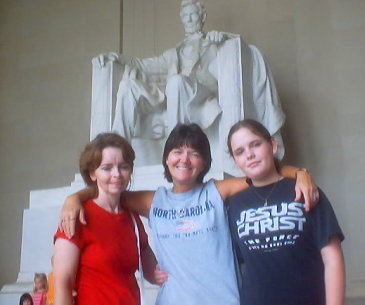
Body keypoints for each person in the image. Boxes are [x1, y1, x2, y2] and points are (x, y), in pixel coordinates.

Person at [59, 123, 318, 305]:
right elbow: (107, 190)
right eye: (177, 151)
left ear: (204, 162)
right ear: (167, 159)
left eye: (194, 153)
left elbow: (262, 175)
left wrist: (300, 172)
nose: (185, 159)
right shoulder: (152, 201)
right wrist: (73, 199)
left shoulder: (218, 191)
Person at [92, 0, 286, 169]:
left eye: (193, 15)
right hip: (172, 95)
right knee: (128, 86)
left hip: (201, 97)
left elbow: (240, 49)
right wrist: (116, 58)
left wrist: (223, 38)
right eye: (185, 16)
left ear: (202, 17)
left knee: (176, 82)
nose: (189, 20)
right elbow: (142, 65)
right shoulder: (174, 53)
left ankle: (175, 151)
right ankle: (115, 151)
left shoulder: (214, 42)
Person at [226, 119, 345, 305]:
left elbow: (332, 258)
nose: (249, 155)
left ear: (272, 145)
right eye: (240, 152)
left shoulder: (306, 190)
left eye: (255, 145)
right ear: (235, 162)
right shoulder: (234, 205)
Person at [53, 133, 161, 305]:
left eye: (123, 167)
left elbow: (155, 273)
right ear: (92, 174)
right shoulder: (77, 216)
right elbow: (62, 284)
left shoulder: (132, 218)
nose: (116, 174)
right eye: (107, 168)